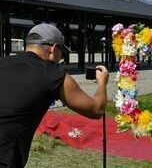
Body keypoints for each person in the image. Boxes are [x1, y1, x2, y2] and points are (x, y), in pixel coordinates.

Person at [0, 23, 109, 168]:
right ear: (53, 48)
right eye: (61, 52)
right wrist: (102, 83)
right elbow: (96, 109)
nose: (60, 57)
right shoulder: (54, 75)